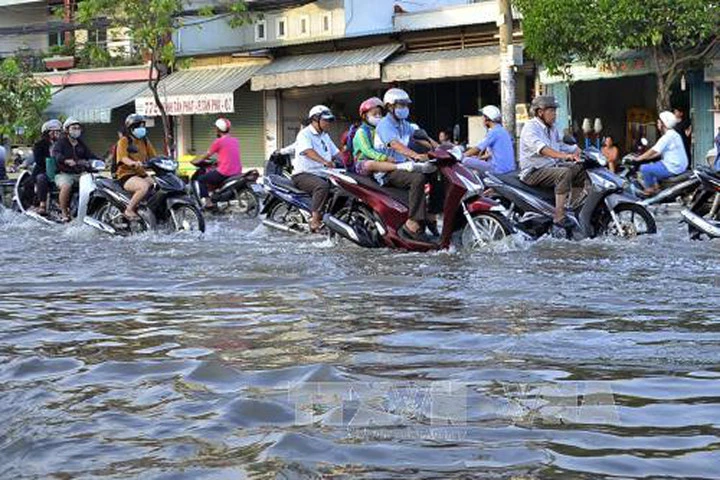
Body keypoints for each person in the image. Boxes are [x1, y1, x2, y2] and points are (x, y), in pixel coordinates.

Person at [375, 88, 443, 242]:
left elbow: (421, 136)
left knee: (438, 173)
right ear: (390, 106)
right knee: (417, 179)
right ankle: (412, 223)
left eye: (406, 105)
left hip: (405, 166)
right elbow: (394, 144)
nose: (404, 108)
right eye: (401, 105)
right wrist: (415, 155)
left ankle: (432, 215)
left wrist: (441, 149)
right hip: (387, 169)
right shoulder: (384, 125)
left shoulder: (406, 125)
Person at [518, 95, 583, 233]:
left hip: (550, 168)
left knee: (580, 168)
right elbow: (543, 150)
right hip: (533, 172)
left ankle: (575, 206)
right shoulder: (530, 128)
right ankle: (559, 216)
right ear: (540, 112)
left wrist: (579, 151)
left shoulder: (552, 128)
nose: (555, 114)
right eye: (551, 111)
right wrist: (565, 156)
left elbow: (562, 145)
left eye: (555, 111)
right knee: (564, 173)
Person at [292, 105, 343, 232]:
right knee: (322, 186)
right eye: (325, 120)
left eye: (329, 120)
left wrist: (351, 162)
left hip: (323, 173)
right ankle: (315, 221)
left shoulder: (325, 136)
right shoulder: (304, 134)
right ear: (315, 120)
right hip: (303, 174)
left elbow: (336, 153)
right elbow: (308, 151)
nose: (328, 123)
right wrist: (324, 161)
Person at [352, 97, 424, 176]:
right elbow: (367, 150)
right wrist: (384, 157)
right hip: (364, 162)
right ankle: (400, 167)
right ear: (364, 116)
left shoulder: (382, 129)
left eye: (379, 114)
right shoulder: (361, 132)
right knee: (370, 164)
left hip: (381, 159)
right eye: (374, 114)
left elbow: (388, 145)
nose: (378, 116)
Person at [631, 111, 689, 196]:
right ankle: (657, 187)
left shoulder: (667, 137)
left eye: (659, 122)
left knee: (644, 168)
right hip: (679, 165)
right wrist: (646, 158)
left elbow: (653, 150)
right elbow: (658, 153)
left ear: (663, 124)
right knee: (652, 165)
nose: (657, 124)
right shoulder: (674, 134)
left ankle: (650, 190)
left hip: (673, 167)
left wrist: (638, 159)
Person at [51, 118, 97, 222]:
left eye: (78, 128)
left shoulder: (81, 143)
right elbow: (56, 154)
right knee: (66, 186)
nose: (76, 130)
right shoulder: (61, 143)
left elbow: (90, 155)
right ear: (67, 130)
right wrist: (66, 160)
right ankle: (64, 212)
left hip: (80, 173)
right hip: (64, 174)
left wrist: (102, 161)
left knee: (94, 185)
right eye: (73, 128)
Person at [192, 118, 242, 209]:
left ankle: (208, 202)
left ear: (218, 129)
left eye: (216, 128)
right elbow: (229, 154)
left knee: (201, 179)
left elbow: (207, 155)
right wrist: (218, 161)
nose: (215, 129)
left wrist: (197, 161)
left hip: (225, 172)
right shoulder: (235, 140)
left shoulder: (218, 142)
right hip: (237, 171)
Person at [115, 114, 157, 220]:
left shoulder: (145, 141)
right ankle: (129, 210)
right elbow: (123, 158)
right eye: (139, 126)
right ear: (131, 128)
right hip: (126, 175)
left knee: (158, 185)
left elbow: (154, 157)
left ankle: (149, 210)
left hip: (141, 173)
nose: (142, 129)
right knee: (143, 186)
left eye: (143, 126)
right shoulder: (124, 141)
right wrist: (132, 163)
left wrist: (164, 162)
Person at [462, 105, 515, 175]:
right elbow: (493, 154)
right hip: (510, 169)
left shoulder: (494, 132)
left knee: (465, 160)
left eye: (483, 116)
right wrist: (479, 158)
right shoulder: (503, 131)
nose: (482, 118)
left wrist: (462, 155)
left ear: (487, 119)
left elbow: (478, 148)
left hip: (498, 169)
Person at [31, 119, 62, 215]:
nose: (56, 133)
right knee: (41, 178)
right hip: (43, 170)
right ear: (47, 132)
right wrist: (50, 160)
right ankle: (42, 205)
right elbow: (39, 161)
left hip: (61, 171)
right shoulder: (39, 145)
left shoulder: (63, 144)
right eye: (53, 131)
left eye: (58, 131)